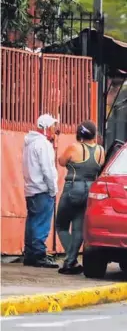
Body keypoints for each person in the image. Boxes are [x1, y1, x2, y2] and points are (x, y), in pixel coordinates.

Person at [56, 121, 105, 274]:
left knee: (61, 225)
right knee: (78, 227)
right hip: (90, 188)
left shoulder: (74, 147)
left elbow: (62, 161)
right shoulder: (101, 150)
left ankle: (70, 260)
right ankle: (71, 262)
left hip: (73, 187)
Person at [22, 114, 59, 268]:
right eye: (52, 127)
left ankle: (30, 254)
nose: (54, 130)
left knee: (32, 221)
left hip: (31, 188)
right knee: (41, 223)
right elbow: (48, 170)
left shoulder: (29, 143)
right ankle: (38, 255)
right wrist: (53, 189)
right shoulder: (43, 144)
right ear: (45, 128)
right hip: (42, 189)